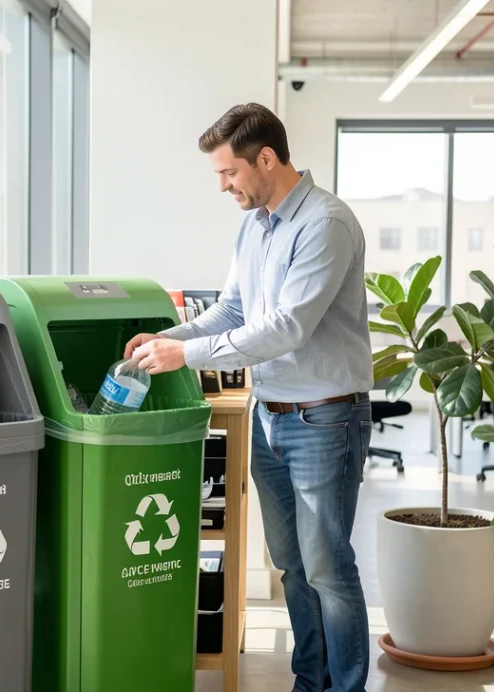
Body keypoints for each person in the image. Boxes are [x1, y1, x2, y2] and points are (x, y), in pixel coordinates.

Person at [125, 103, 373, 692]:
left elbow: (288, 326)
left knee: (327, 569)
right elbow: (234, 311)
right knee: (291, 566)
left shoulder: (326, 223)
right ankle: (309, 683)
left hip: (325, 419)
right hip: (271, 418)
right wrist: (170, 337)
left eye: (228, 172)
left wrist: (184, 357)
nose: (223, 186)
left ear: (266, 158)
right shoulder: (254, 226)